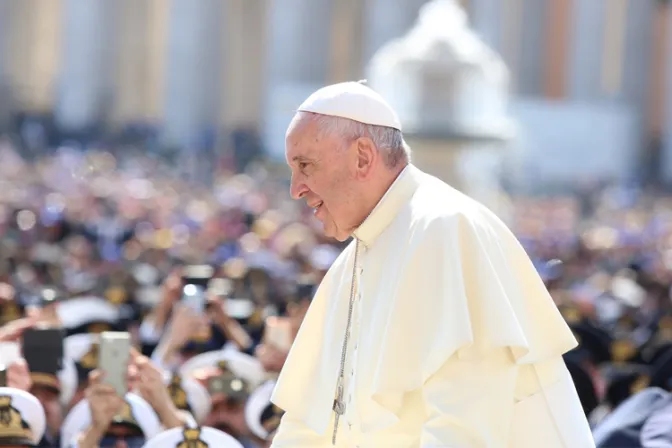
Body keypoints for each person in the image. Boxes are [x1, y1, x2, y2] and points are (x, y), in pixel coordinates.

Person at [270, 81, 595, 447]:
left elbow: (465, 425)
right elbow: (309, 423)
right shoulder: (351, 263)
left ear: (362, 157)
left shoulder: (444, 228)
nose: (295, 188)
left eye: (305, 165)